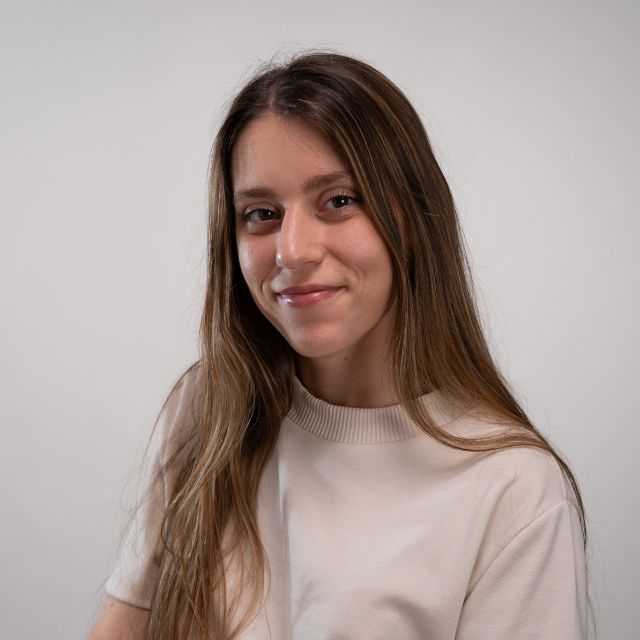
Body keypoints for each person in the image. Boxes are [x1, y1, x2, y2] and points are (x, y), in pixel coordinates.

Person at [89, 50, 595, 639]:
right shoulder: (208, 408)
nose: (293, 251)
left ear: (414, 218)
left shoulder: (512, 488)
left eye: (339, 201)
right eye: (261, 213)